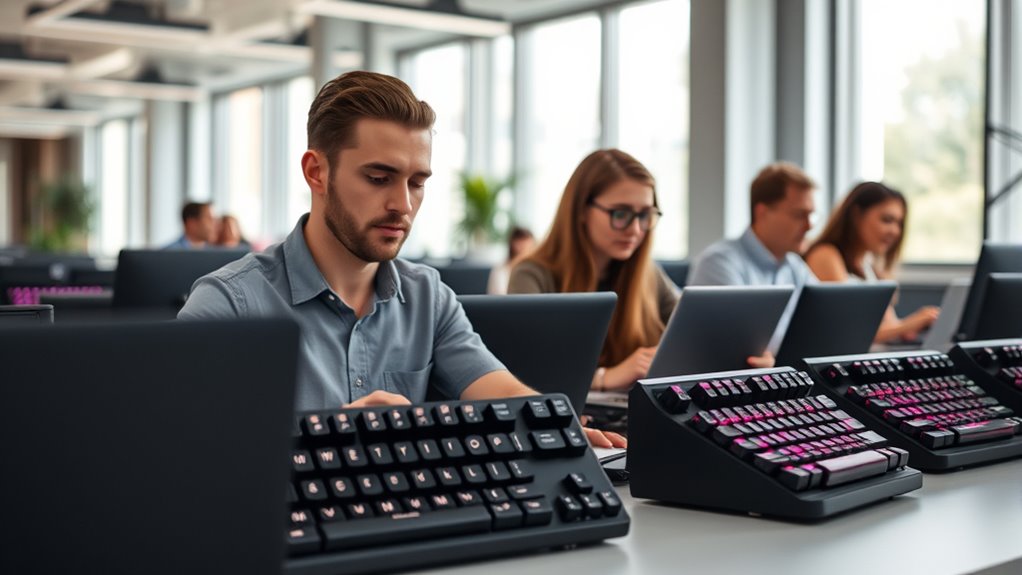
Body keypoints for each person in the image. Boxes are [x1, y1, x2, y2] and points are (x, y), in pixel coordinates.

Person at [177, 71, 624, 447]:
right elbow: (187, 448)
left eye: (416, 182)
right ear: (317, 172)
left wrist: (553, 424)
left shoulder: (428, 296)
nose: (403, 205)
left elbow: (497, 388)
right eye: (378, 177)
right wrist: (326, 433)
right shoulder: (228, 305)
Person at [507, 149, 679, 393]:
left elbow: (695, 330)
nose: (635, 229)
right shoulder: (531, 275)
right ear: (581, 211)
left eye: (645, 215)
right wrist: (603, 377)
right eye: (621, 214)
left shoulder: (648, 275)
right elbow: (522, 375)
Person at [687, 161, 819, 354]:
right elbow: (744, 350)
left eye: (812, 215)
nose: (809, 226)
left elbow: (825, 324)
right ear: (762, 212)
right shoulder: (719, 263)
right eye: (799, 215)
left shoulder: (795, 266)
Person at [803, 181, 939, 343]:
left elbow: (891, 326)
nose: (895, 231)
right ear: (857, 215)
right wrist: (910, 324)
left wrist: (914, 325)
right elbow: (851, 331)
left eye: (899, 224)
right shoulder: (826, 255)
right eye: (887, 220)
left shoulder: (868, 266)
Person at [486, 226, 535, 295]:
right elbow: (501, 297)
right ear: (513, 244)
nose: (525, 247)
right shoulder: (501, 270)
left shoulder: (534, 270)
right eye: (521, 242)